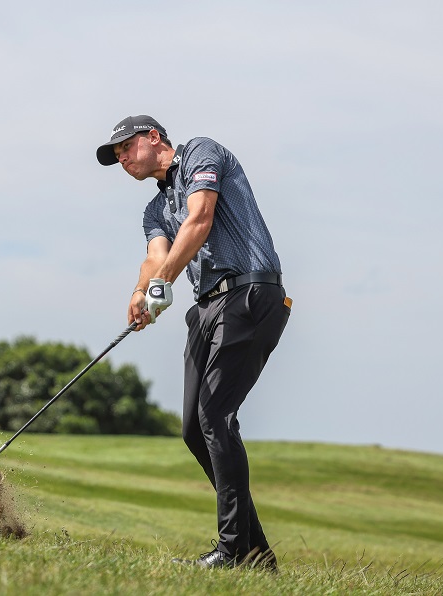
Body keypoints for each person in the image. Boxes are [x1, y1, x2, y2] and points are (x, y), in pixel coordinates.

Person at [95, 115, 290, 570]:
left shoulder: (201, 152)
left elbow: (200, 219)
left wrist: (162, 284)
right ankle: (256, 556)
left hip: (249, 293)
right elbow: (156, 257)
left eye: (126, 148)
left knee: (215, 416)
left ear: (154, 137)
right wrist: (140, 293)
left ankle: (232, 551)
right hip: (206, 309)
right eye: (116, 157)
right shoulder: (154, 209)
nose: (122, 160)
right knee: (193, 429)